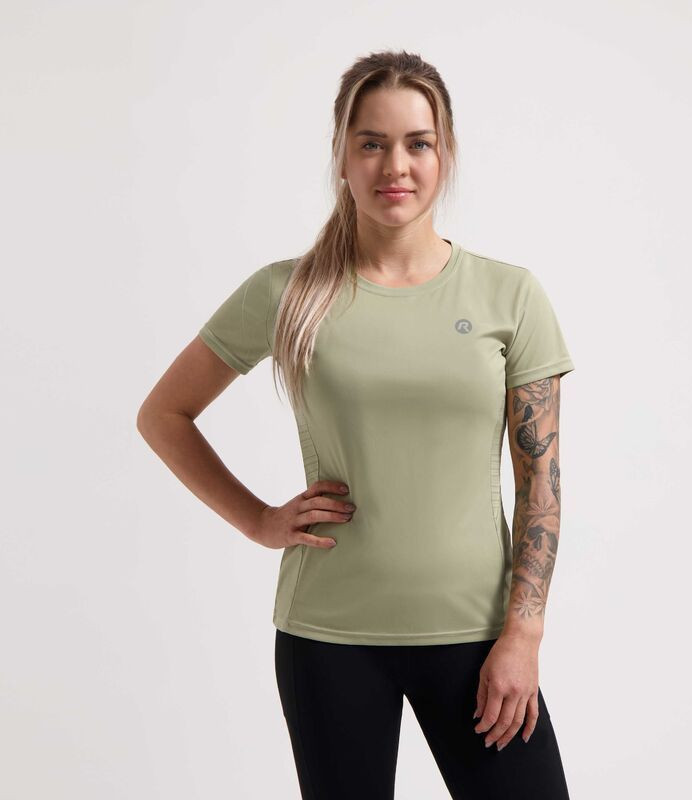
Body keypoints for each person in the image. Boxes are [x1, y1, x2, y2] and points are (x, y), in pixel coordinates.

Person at [137, 49, 575, 799]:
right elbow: (164, 415)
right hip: (327, 636)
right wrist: (258, 521)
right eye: (371, 143)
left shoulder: (510, 296)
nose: (394, 165)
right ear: (341, 155)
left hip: (477, 638)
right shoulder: (288, 293)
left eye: (417, 143)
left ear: (445, 153)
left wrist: (524, 634)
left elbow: (541, 484)